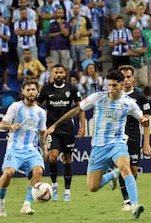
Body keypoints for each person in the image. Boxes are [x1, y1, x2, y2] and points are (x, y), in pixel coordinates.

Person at [44, 70, 148, 219]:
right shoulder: (98, 97)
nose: (111, 88)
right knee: (93, 187)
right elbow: (77, 110)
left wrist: (144, 121)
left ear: (121, 84)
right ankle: (113, 175)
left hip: (117, 142)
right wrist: (55, 125)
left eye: (114, 85)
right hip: (99, 146)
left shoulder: (129, 102)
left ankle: (135, 205)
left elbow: (142, 119)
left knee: (126, 167)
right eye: (109, 85)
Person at [0, 79, 47, 217]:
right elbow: (2, 124)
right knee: (8, 174)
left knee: (38, 171)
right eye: (28, 89)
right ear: (23, 91)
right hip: (14, 149)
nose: (31, 92)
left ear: (37, 92)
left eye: (33, 89)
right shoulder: (15, 107)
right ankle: (0, 202)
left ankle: (27, 205)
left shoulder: (41, 112)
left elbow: (42, 134)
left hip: (32, 150)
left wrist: (45, 149)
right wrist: (10, 126)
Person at [36, 64, 86, 202]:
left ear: (65, 74)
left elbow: (80, 108)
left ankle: (67, 191)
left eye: (60, 72)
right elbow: (36, 107)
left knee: (68, 159)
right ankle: (54, 186)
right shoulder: (46, 89)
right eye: (55, 72)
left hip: (68, 129)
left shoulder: (72, 88)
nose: (58, 75)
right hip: (52, 129)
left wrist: (82, 126)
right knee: (52, 157)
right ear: (52, 74)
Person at [118, 65, 151, 211]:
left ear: (133, 78)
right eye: (123, 77)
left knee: (133, 170)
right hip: (118, 137)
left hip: (134, 136)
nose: (126, 80)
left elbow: (146, 122)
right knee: (123, 167)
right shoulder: (114, 96)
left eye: (129, 77)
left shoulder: (140, 97)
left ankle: (131, 198)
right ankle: (127, 202)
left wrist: (147, 144)